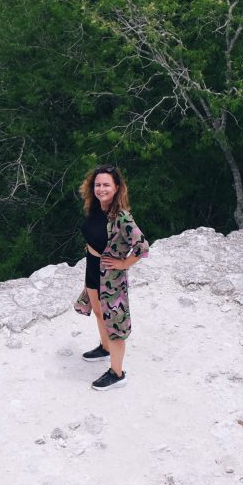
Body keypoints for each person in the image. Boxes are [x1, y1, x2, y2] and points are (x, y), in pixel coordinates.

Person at [73, 163, 149, 391]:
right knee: (98, 312)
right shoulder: (95, 208)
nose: (101, 189)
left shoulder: (122, 217)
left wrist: (124, 263)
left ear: (116, 188)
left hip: (110, 277)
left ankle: (117, 373)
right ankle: (105, 348)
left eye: (106, 184)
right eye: (97, 184)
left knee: (113, 325)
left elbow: (143, 247)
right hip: (92, 268)